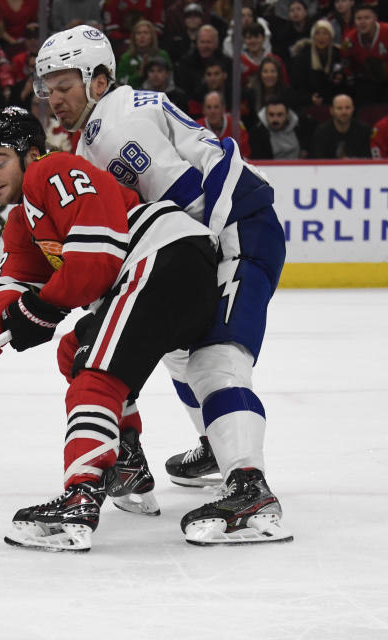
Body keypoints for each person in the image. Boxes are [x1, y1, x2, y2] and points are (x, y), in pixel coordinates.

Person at [33, 25, 293, 545]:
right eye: (47, 87)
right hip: (220, 231)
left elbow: (190, 203)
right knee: (179, 349)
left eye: (64, 84)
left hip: (234, 229)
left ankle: (250, 484)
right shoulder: (99, 130)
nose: (53, 98)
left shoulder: (114, 131)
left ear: (99, 80)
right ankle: (217, 446)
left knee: (213, 357)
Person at [0, 106, 220, 552]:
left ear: (31, 153)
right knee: (76, 350)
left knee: (96, 376)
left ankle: (81, 495)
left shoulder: (52, 171)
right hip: (170, 273)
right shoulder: (23, 222)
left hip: (165, 258)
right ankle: (125, 464)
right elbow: (13, 287)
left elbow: (94, 262)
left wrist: (41, 308)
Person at [290, 19, 344, 107]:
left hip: (333, 101)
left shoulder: (338, 55)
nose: (321, 37)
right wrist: (309, 98)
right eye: (317, 33)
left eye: (325, 33)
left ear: (330, 36)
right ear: (313, 36)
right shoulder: (303, 57)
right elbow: (297, 85)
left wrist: (339, 79)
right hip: (308, 102)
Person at [341, 5, 388, 106]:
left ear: (375, 19)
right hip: (366, 81)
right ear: (354, 21)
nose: (362, 22)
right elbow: (345, 63)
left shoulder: (386, 31)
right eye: (359, 18)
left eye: (367, 18)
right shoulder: (349, 40)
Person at [309, 93, 373, 157]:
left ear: (353, 109)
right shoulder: (321, 132)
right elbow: (318, 160)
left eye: (347, 108)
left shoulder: (364, 130)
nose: (344, 112)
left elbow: (368, 158)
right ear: (331, 111)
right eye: (339, 108)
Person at [116, 19, 171, 88]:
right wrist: (140, 73)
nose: (142, 36)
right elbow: (121, 82)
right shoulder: (126, 58)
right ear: (134, 38)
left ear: (152, 37)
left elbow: (170, 79)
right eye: (138, 33)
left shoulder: (162, 55)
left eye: (146, 33)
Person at [197, 91, 251, 158]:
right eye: (209, 107)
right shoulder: (196, 128)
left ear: (223, 109)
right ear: (203, 110)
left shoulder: (235, 126)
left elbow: (245, 155)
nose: (212, 111)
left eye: (216, 107)